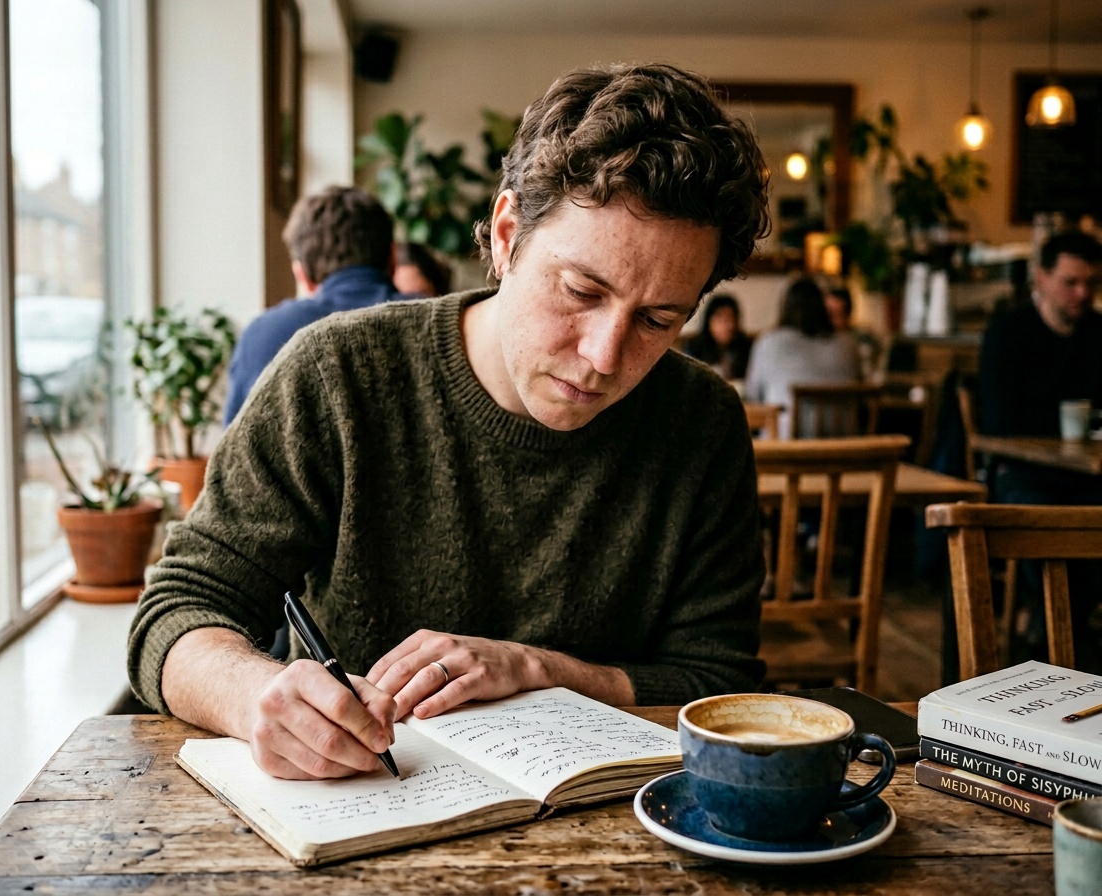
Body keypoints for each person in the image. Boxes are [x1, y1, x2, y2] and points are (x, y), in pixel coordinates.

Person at [129, 62, 771, 781]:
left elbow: (720, 680)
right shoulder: (338, 375)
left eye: (658, 320)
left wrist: (537, 668)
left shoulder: (701, 420)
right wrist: (255, 698)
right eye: (581, 290)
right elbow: (178, 610)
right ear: (506, 235)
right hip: (359, 810)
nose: (604, 356)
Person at [978, 229, 1102, 670]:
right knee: (1045, 517)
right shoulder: (1009, 333)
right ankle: (1061, 633)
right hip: (1022, 473)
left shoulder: (1096, 333)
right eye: (1071, 282)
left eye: (1090, 283)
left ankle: (1058, 630)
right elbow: (997, 426)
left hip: (1085, 475)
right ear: (1042, 278)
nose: (1082, 293)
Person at [221, 186, 402, 425]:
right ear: (394, 257)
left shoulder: (263, 335)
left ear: (302, 275)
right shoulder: (443, 321)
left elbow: (234, 458)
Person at [744, 277, 861, 436]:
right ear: (822, 306)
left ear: (785, 307)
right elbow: (859, 392)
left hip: (785, 449)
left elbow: (753, 397)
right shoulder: (848, 344)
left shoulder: (768, 342)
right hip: (844, 447)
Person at [684, 293, 752, 381]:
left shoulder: (746, 347)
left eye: (730, 318)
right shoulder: (694, 347)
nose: (727, 325)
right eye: (720, 319)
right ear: (709, 321)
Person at [823, 285, 883, 382]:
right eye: (827, 314)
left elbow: (868, 375)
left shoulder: (863, 340)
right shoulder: (821, 341)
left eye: (835, 314)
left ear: (848, 315)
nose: (829, 320)